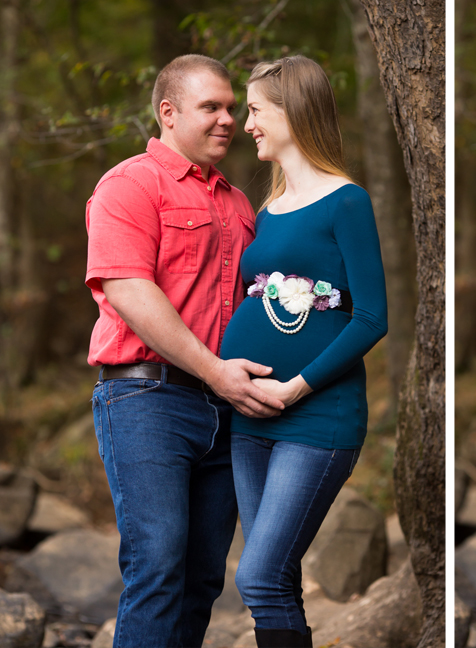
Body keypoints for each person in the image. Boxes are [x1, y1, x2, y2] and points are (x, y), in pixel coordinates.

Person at [86, 55, 286, 648]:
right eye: (212, 108)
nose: (229, 119)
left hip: (228, 410)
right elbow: (128, 291)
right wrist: (215, 373)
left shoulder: (237, 204)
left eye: (233, 108)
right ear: (168, 114)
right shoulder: (128, 185)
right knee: (158, 566)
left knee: (202, 578)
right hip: (146, 398)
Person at [218, 55, 388, 648]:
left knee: (259, 576)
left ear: (293, 110)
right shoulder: (265, 210)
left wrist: (294, 388)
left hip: (315, 416)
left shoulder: (347, 202)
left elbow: (371, 318)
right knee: (277, 581)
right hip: (248, 417)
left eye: (257, 110)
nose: (248, 124)